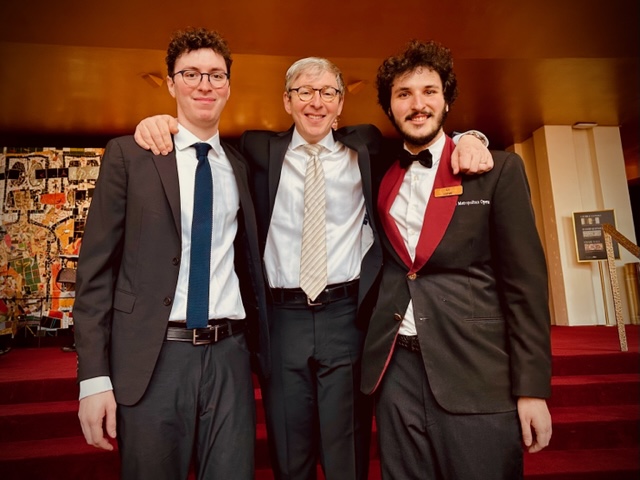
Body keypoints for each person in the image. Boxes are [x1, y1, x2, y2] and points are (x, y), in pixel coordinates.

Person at [134, 57, 492, 480]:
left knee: (347, 452)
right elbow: (200, 138)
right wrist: (156, 122)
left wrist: (472, 136)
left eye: (328, 92)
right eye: (304, 91)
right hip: (281, 321)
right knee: (290, 450)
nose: (316, 102)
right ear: (287, 101)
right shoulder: (256, 149)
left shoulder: (368, 147)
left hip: (347, 317)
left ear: (341, 104)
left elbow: (422, 138)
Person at [73, 27, 269, 480]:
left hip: (229, 357)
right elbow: (95, 274)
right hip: (154, 357)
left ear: (229, 85)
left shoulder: (240, 165)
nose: (205, 85)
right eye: (192, 74)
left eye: (216, 75)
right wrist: (93, 377)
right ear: (170, 82)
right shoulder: (130, 155)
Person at [360, 40, 553, 480]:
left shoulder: (496, 170)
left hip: (476, 370)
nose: (417, 104)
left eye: (429, 91)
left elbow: (525, 286)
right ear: (389, 107)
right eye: (403, 94)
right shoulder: (379, 171)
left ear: (447, 100)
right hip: (396, 372)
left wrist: (532, 390)